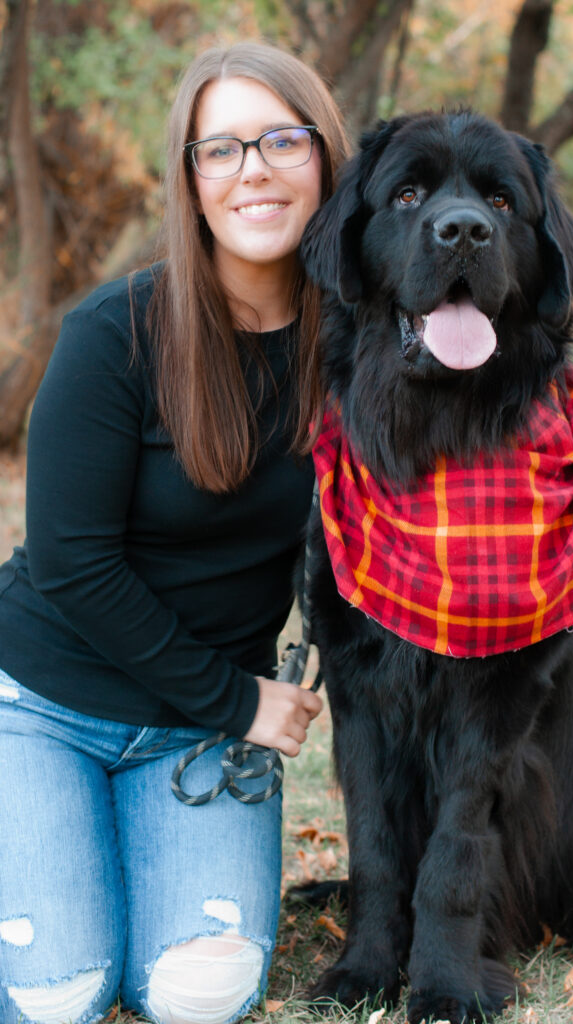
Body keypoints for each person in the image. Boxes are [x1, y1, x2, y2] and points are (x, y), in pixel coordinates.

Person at [0, 41, 350, 1024]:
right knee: (59, 993)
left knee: (203, 997)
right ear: (190, 179)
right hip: (43, 702)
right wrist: (241, 702)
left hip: (191, 738)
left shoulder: (358, 346)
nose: (254, 169)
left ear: (323, 155)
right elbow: (71, 563)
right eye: (221, 148)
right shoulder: (115, 332)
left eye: (282, 139)